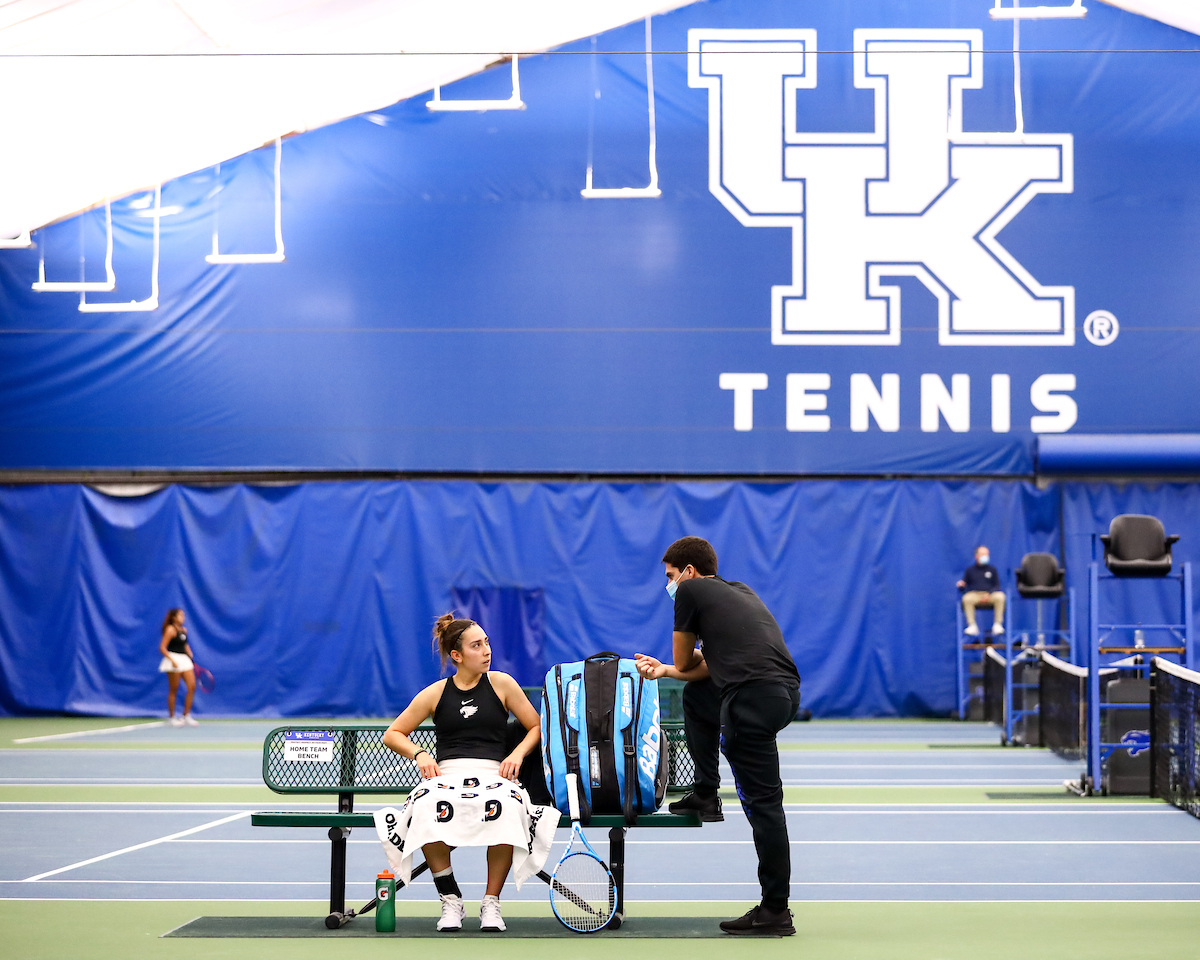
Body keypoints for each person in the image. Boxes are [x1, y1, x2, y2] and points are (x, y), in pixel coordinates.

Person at [637, 536, 800, 937]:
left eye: (671, 576)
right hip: (785, 694)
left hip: (751, 702)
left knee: (764, 807)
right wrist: (666, 672)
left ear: (689, 572)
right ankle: (706, 792)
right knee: (697, 696)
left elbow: (683, 658)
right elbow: (706, 667)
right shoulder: (740, 590)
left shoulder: (690, 591)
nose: (670, 584)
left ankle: (775, 910)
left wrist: (668, 666)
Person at [382, 614, 541, 934]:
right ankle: (450, 899)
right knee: (425, 808)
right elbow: (393, 734)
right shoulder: (436, 693)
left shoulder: (502, 684)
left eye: (487, 643)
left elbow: (536, 725)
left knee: (507, 807)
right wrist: (420, 753)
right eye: (477, 645)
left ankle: (491, 903)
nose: (487, 651)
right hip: (448, 775)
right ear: (457, 656)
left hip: (494, 774)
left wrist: (517, 753)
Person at [158, 608, 199, 727]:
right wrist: (172, 660)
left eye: (183, 615)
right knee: (174, 688)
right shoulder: (170, 629)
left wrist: (189, 652)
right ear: (174, 617)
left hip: (184, 660)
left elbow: (184, 644)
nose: (183, 617)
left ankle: (186, 715)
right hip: (173, 659)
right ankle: (172, 717)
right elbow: (162, 647)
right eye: (181, 615)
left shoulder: (184, 630)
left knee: (192, 686)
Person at [957, 545, 1005, 637]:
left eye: (987, 554)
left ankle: (997, 625)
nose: (985, 557)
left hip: (990, 594)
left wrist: (989, 594)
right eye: (983, 554)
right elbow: (964, 588)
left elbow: (997, 586)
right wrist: (961, 585)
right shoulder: (969, 570)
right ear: (977, 556)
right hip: (975, 594)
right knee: (966, 598)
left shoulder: (992, 570)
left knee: (1000, 596)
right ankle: (972, 626)